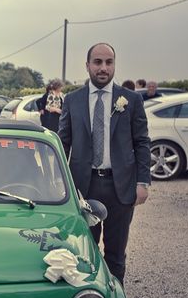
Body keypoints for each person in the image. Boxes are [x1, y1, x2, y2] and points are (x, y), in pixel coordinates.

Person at [58, 43, 150, 283]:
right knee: (83, 253)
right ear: (87, 65)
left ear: (114, 65)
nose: (103, 68)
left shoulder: (130, 100)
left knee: (116, 255)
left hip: (120, 188)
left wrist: (143, 182)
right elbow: (63, 143)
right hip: (83, 189)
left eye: (109, 62)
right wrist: (57, 182)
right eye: (98, 62)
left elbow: (142, 142)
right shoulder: (72, 100)